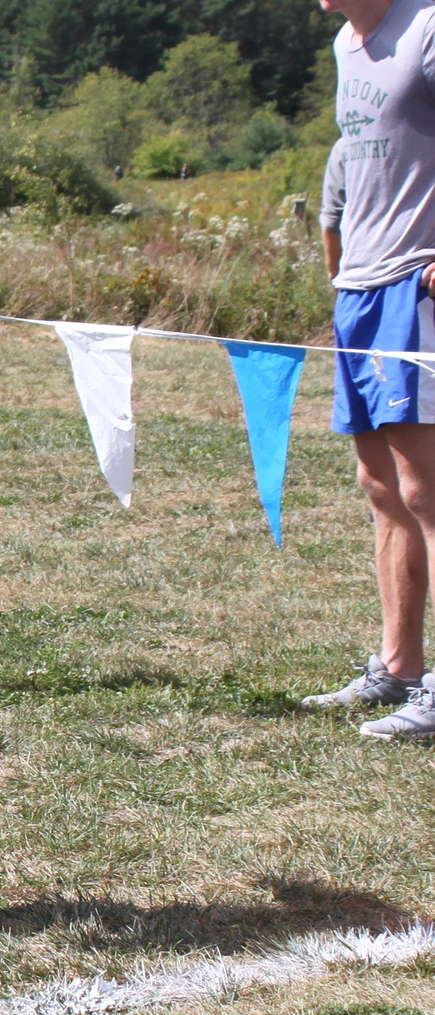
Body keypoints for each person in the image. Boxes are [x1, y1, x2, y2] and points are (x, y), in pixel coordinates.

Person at [300, 0, 435, 740]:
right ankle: (399, 667)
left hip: (415, 285)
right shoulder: (343, 43)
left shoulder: (426, 26)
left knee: (427, 489)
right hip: (359, 289)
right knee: (382, 488)